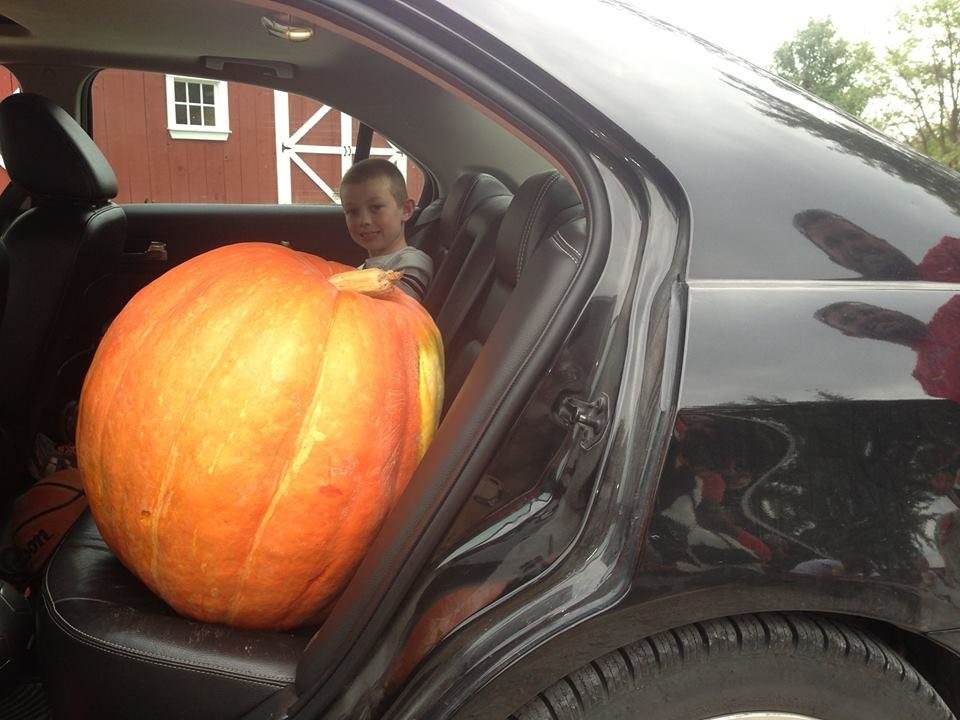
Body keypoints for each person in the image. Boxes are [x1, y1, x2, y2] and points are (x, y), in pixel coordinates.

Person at [339, 158, 433, 302]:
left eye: (376, 207)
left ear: (406, 210)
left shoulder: (413, 263)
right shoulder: (362, 269)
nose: (364, 220)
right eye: (352, 211)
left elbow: (400, 309)